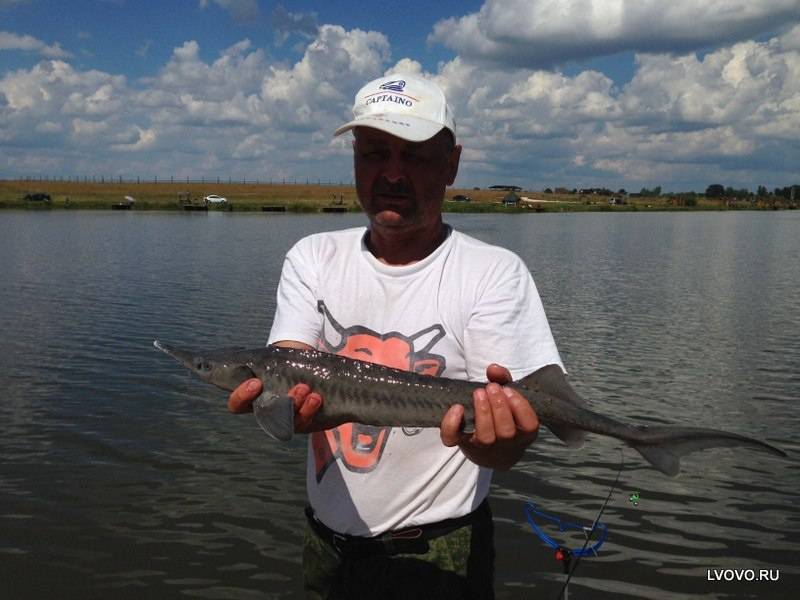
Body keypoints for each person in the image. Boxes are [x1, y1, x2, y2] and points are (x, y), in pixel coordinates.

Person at [228, 73, 563, 599]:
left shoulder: (494, 272)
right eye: (374, 153)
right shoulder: (312, 256)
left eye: (416, 156)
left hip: (442, 552)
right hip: (325, 546)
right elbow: (288, 363)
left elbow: (506, 449)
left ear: (451, 164)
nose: (391, 173)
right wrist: (286, 406)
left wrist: (505, 442)